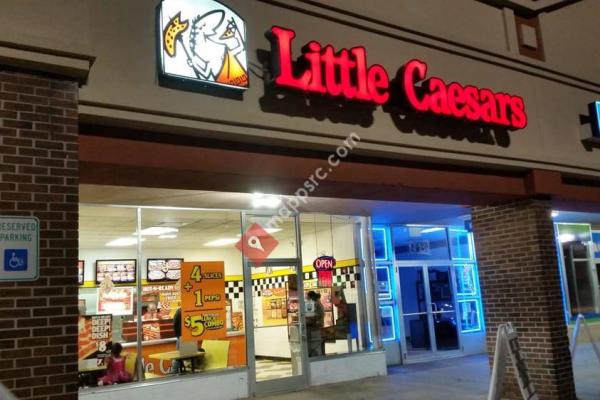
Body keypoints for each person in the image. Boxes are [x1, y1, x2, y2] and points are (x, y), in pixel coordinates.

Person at [306, 291, 325, 357]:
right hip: (317, 326)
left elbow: (315, 315)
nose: (307, 298)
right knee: (316, 345)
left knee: (315, 346)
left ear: (310, 297)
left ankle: (315, 358)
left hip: (316, 328)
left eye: (308, 297)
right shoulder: (317, 302)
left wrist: (308, 319)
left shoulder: (316, 303)